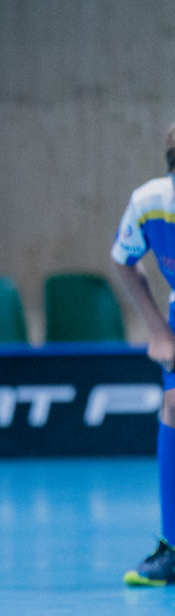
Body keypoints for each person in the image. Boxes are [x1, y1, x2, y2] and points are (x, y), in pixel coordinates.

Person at [114, 122, 175, 586]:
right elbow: (124, 259)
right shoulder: (150, 202)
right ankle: (172, 548)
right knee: (173, 406)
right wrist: (158, 330)